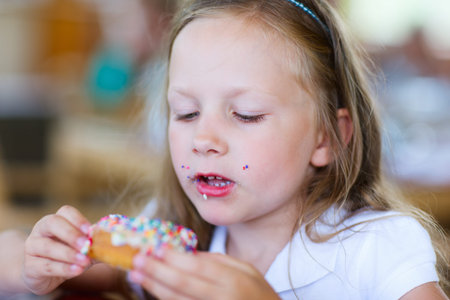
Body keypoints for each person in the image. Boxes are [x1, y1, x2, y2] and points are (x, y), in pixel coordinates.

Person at [9, 0, 450, 299]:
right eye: (185, 113)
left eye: (245, 114)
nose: (204, 140)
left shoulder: (379, 247)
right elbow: (79, 270)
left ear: (326, 138)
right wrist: (48, 262)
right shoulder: (171, 227)